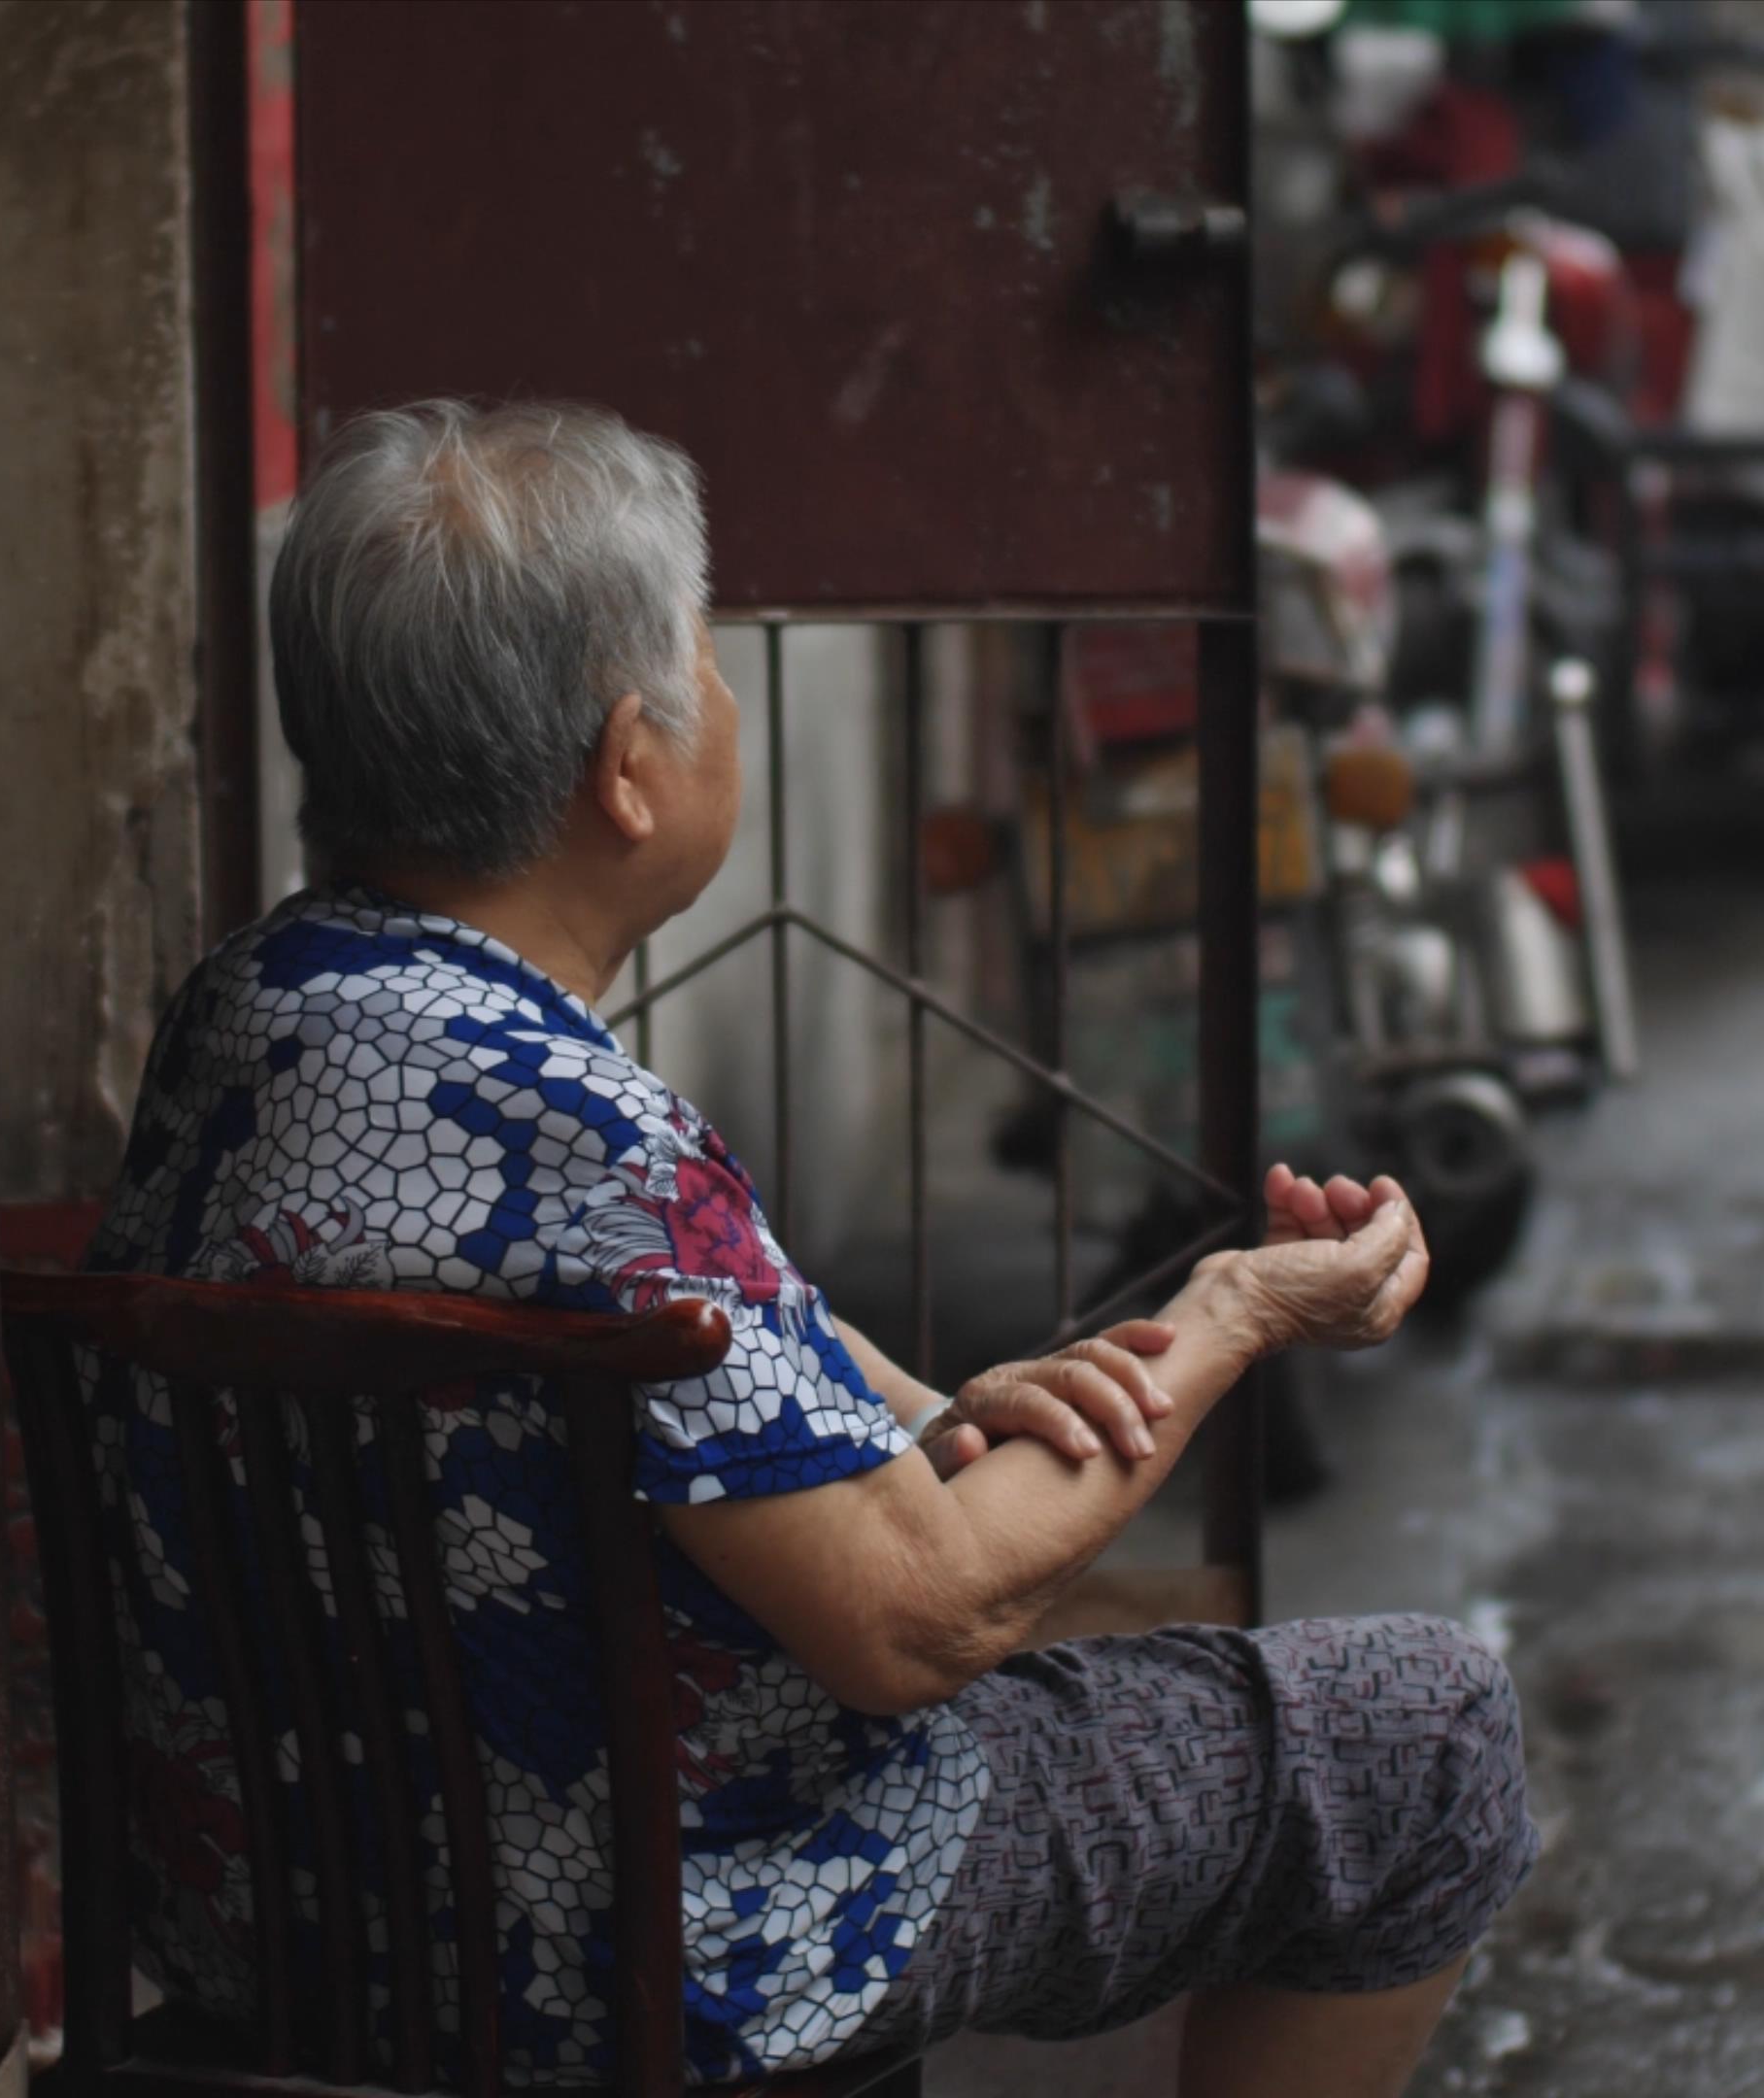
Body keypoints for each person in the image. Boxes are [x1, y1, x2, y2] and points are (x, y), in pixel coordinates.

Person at [84, 401, 1532, 2098]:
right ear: (629, 768)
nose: (722, 708)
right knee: (1421, 1742)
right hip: (669, 1944)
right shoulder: (585, 1138)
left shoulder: (259, 1009)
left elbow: (702, 1358)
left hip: (293, 1920)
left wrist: (928, 1419)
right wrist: (1231, 1313)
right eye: (701, 668)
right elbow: (916, 1624)